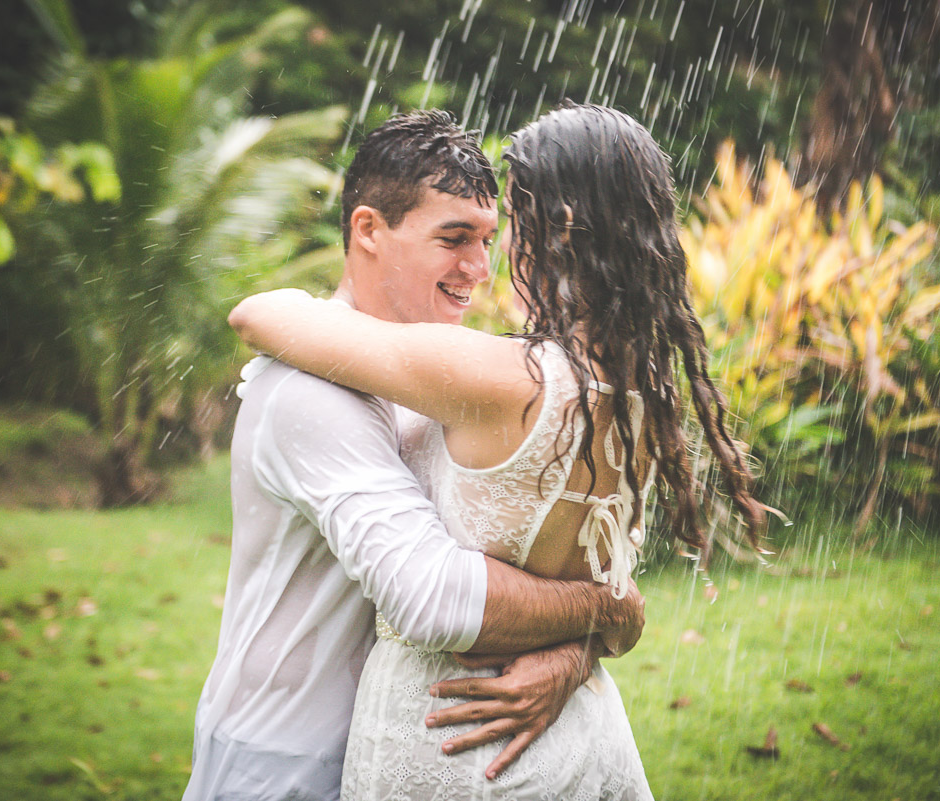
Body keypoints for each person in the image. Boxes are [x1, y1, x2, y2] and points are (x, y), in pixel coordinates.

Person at [230, 103, 772, 799]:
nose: (484, 267)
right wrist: (602, 618)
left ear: (559, 232)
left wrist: (592, 627)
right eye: (457, 237)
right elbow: (588, 575)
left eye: (502, 232)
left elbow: (254, 314)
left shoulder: (490, 377)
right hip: (545, 740)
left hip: (459, 739)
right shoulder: (636, 395)